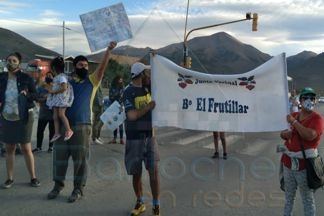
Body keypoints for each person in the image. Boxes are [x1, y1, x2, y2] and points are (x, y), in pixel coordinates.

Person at [47, 41, 116, 203]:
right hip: (64, 127)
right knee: (60, 157)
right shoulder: (66, 80)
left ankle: (78, 188)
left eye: (86, 65)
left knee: (80, 160)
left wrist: (108, 50)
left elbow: (102, 68)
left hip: (82, 125)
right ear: (75, 66)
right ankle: (58, 186)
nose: (84, 67)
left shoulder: (92, 81)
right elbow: (53, 89)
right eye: (80, 64)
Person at [123, 62, 160, 216]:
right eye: (147, 73)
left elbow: (168, 83)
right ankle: (140, 202)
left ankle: (156, 206)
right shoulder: (128, 91)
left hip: (150, 137)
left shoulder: (149, 87)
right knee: (136, 173)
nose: (149, 76)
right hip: (134, 138)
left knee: (154, 172)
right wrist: (147, 107)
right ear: (141, 74)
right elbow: (131, 115)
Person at [280, 87, 323, 216]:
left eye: (312, 98)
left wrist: (294, 123)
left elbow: (310, 135)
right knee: (288, 198)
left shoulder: (317, 119)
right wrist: (285, 134)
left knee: (307, 200)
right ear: (301, 100)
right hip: (288, 164)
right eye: (306, 97)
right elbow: (282, 133)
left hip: (305, 166)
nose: (309, 100)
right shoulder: (294, 115)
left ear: (315, 101)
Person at [0, 52, 40, 188]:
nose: (10, 62)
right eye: (9, 60)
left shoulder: (26, 78)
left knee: (25, 147)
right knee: (9, 148)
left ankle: (33, 177)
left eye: (14, 60)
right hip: (7, 116)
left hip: (24, 116)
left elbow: (35, 95)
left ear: (19, 63)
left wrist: (27, 94)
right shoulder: (1, 77)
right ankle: (9, 178)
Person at [46, 56, 74, 142]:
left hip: (62, 99)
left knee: (61, 114)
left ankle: (69, 130)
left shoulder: (62, 77)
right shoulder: (57, 77)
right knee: (55, 116)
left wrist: (53, 92)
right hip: (56, 99)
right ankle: (57, 132)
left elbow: (64, 87)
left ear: (54, 68)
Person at [32, 72, 55, 153]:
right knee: (40, 131)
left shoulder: (56, 88)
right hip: (43, 113)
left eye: (50, 76)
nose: (48, 77)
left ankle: (51, 147)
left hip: (53, 114)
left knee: (52, 131)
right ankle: (38, 147)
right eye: (47, 76)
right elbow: (36, 98)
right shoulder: (41, 88)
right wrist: (44, 99)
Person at [108, 75, 125, 144]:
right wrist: (116, 96)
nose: (121, 81)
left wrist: (116, 96)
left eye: (121, 80)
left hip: (120, 106)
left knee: (120, 123)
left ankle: (121, 139)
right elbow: (110, 96)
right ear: (116, 80)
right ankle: (114, 138)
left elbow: (122, 96)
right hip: (113, 105)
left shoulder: (122, 88)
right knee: (114, 122)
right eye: (119, 80)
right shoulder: (112, 87)